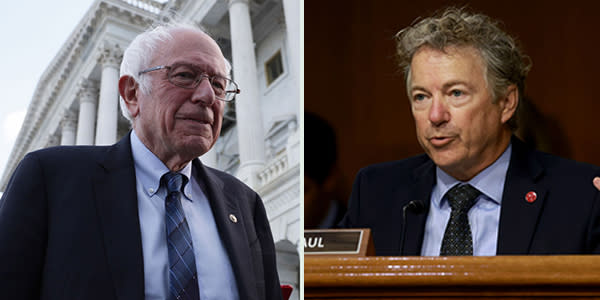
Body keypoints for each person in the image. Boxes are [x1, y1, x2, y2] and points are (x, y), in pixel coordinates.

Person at [0, 23, 282, 300]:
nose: (207, 96)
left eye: (219, 85)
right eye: (185, 75)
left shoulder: (245, 203)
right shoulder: (50, 180)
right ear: (132, 94)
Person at [339, 7, 600, 256]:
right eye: (421, 97)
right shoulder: (377, 193)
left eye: (456, 93)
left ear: (507, 102)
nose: (435, 116)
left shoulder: (579, 197)